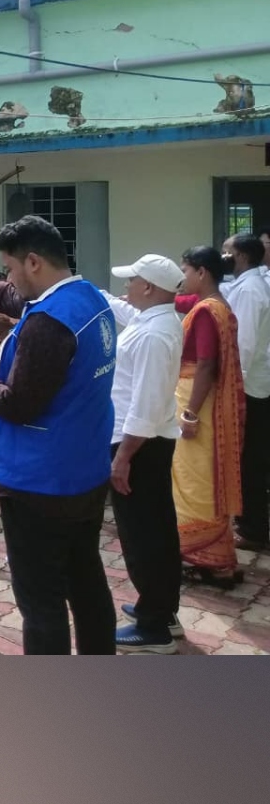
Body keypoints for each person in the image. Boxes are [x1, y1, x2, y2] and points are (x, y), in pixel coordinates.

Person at [0, 216, 118, 655]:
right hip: (84, 470)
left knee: (41, 601)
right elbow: (4, 296)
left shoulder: (48, 324)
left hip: (40, 483)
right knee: (85, 579)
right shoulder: (87, 297)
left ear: (32, 262)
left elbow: (16, 403)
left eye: (9, 268)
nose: (7, 279)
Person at [101, 255, 186, 653]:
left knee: (143, 536)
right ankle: (161, 610)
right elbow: (121, 309)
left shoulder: (155, 334)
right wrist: (85, 290)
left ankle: (155, 628)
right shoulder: (152, 318)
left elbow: (146, 406)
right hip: (143, 442)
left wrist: (123, 458)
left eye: (132, 281)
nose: (126, 287)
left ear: (149, 287)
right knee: (156, 528)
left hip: (139, 444)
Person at [173, 246, 245, 588]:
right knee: (203, 476)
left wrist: (189, 413)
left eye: (185, 271)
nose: (182, 277)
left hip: (196, 401)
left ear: (201, 272)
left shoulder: (206, 311)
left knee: (195, 478)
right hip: (207, 401)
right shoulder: (218, 305)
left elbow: (205, 364)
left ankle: (206, 557)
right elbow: (178, 300)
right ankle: (216, 559)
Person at [221, 232, 270, 552]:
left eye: (226, 251)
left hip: (250, 388)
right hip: (250, 384)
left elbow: (245, 344)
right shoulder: (244, 284)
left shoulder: (251, 290)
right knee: (247, 457)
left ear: (241, 256)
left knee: (251, 460)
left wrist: (234, 388)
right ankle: (249, 521)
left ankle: (254, 529)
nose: (222, 256)